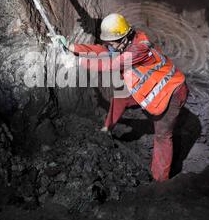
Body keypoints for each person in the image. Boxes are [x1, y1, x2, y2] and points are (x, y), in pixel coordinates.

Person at [54, 13, 188, 182]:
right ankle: (107, 128)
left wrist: (76, 62)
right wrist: (73, 47)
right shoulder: (123, 42)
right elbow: (103, 51)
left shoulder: (138, 47)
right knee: (121, 96)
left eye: (112, 43)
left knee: (162, 136)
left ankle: (160, 184)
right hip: (152, 86)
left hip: (173, 93)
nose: (109, 46)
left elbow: (111, 64)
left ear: (124, 38)